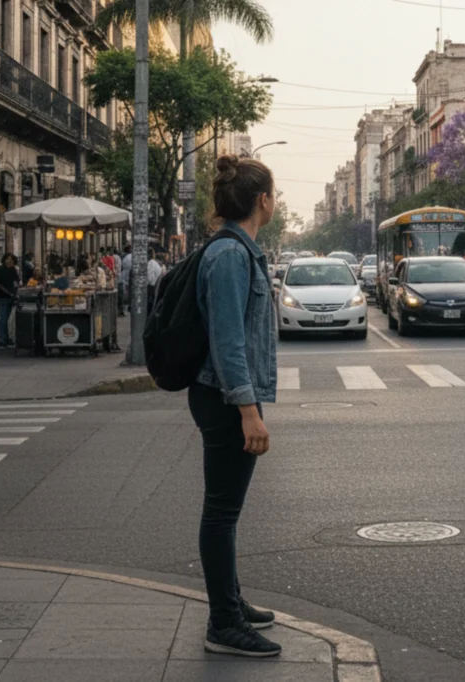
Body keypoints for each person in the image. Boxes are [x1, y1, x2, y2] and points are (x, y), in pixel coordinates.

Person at [191, 154, 281, 658]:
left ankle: (231, 602)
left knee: (226, 511)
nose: (276, 200)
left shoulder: (239, 250)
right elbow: (228, 342)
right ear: (262, 200)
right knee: (221, 513)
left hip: (228, 395)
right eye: (274, 193)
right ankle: (223, 622)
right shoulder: (229, 256)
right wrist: (248, 410)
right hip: (224, 397)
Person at [0, 252, 21, 348]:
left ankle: (7, 339)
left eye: (11, 258)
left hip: (11, 297)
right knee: (3, 319)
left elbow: (16, 282)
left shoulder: (13, 270)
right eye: (7, 258)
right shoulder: (0, 270)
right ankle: (2, 340)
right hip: (2, 297)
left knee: (8, 320)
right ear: (4, 260)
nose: (9, 260)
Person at [146, 248, 164, 312]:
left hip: (151, 288)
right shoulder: (154, 263)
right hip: (154, 288)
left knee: (149, 307)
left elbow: (150, 280)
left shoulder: (151, 264)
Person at [121, 244, 133, 310]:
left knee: (126, 289)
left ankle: (126, 302)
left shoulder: (124, 257)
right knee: (129, 290)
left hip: (125, 275)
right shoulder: (131, 257)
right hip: (129, 276)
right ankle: (129, 303)